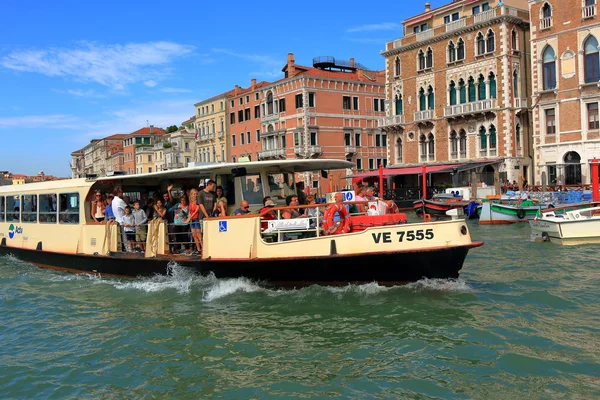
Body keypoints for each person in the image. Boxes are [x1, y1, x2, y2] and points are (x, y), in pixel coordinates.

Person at [112, 186, 128, 251]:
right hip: (123, 221)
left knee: (121, 237)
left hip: (117, 220)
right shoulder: (120, 201)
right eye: (121, 192)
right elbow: (127, 208)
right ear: (118, 193)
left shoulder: (113, 201)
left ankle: (124, 248)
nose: (122, 193)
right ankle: (128, 249)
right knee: (125, 237)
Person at [186, 188, 202, 255]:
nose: (195, 195)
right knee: (194, 235)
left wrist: (189, 218)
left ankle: (203, 248)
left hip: (196, 219)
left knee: (199, 235)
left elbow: (196, 211)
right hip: (192, 220)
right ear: (191, 195)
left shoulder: (198, 202)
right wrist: (188, 217)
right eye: (194, 194)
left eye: (196, 194)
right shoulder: (191, 202)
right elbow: (190, 211)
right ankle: (198, 249)